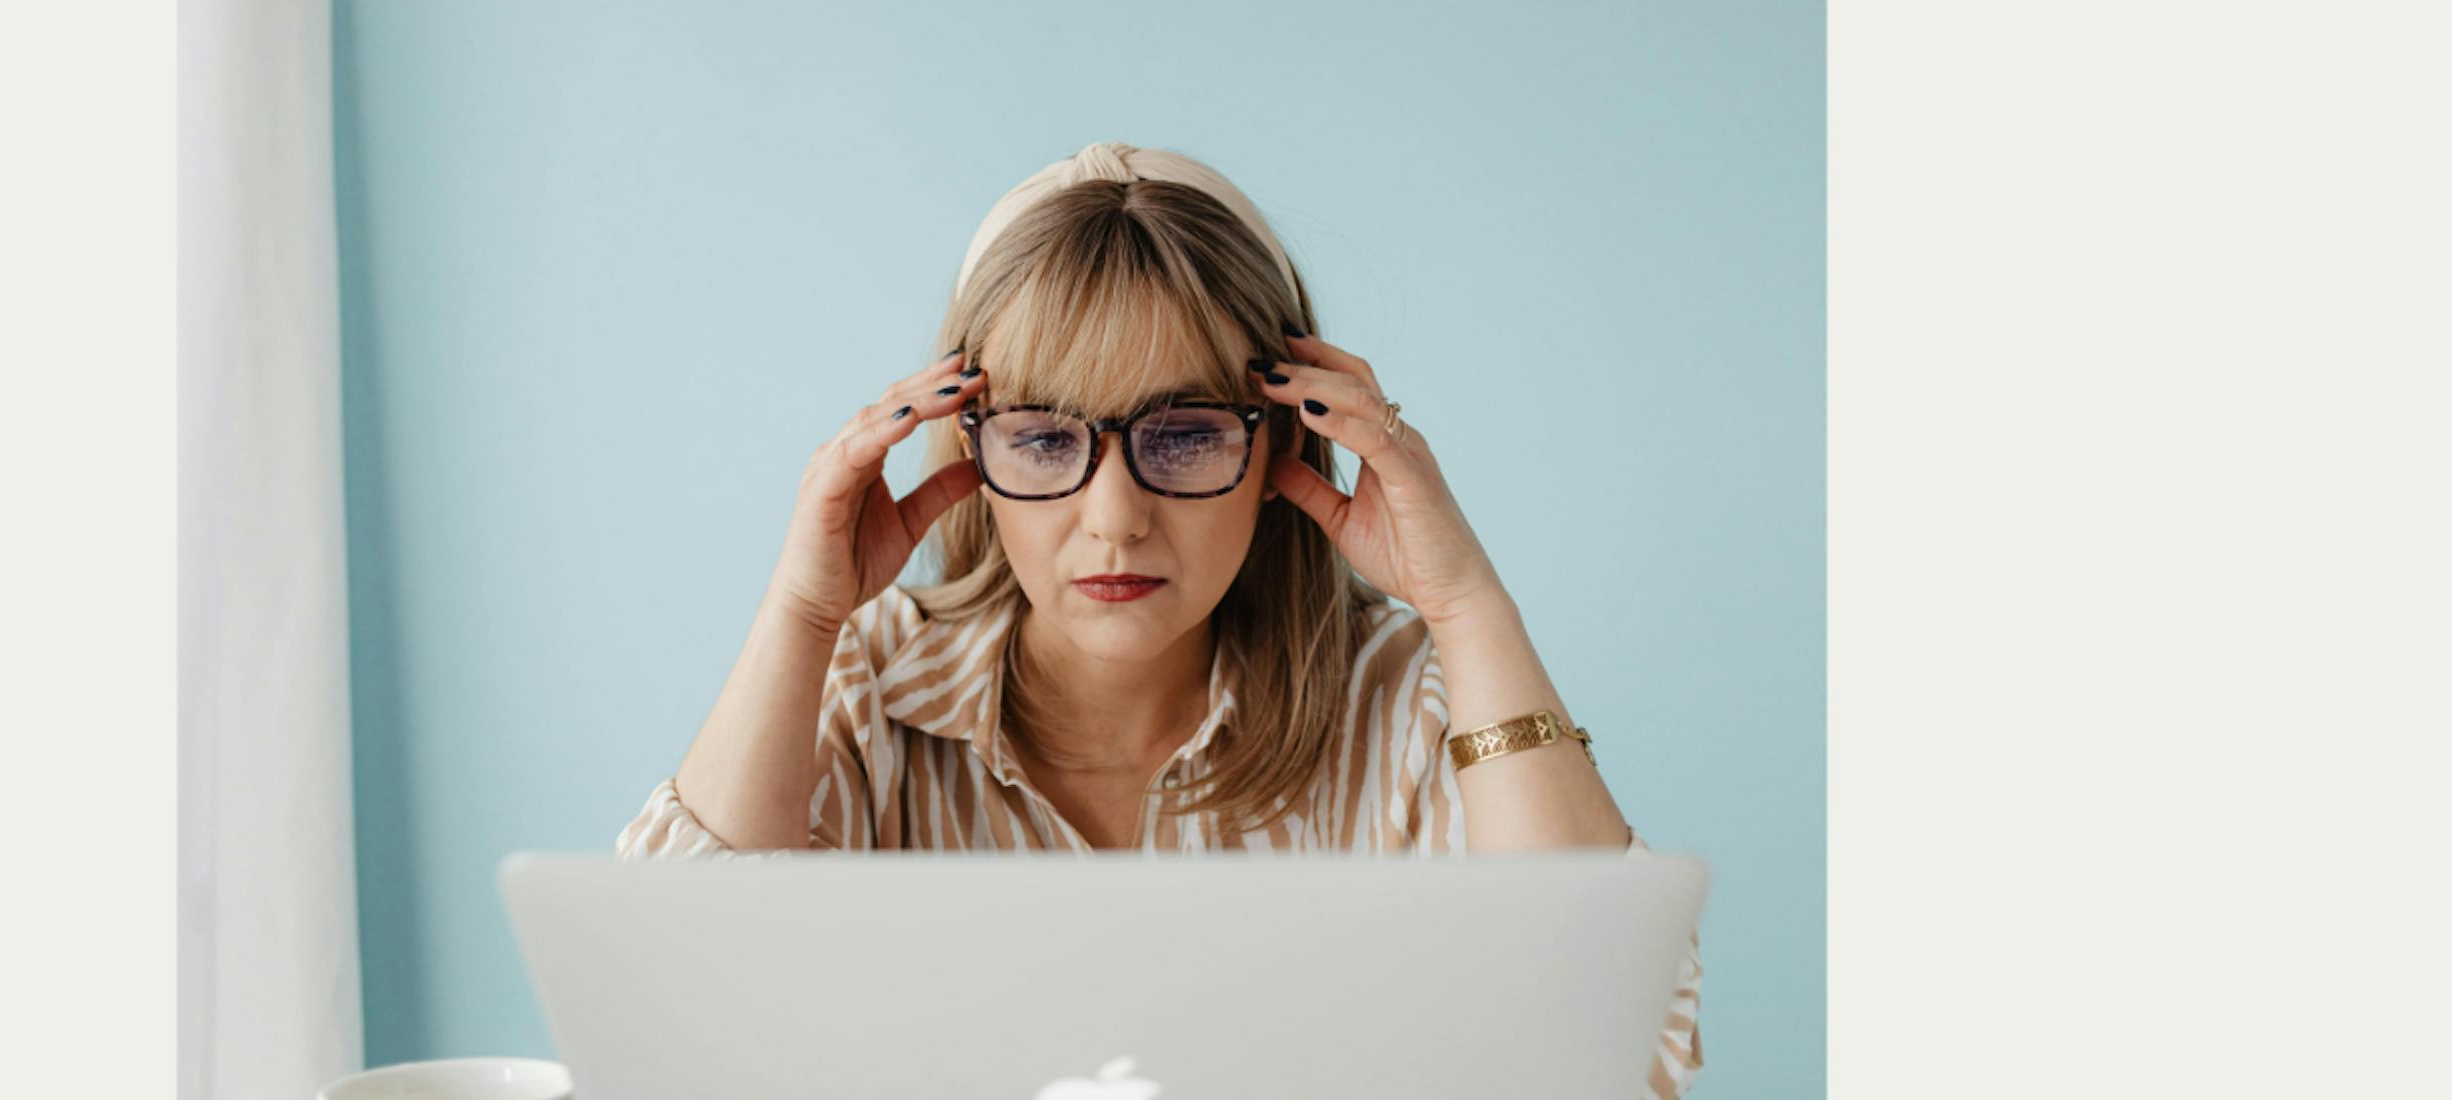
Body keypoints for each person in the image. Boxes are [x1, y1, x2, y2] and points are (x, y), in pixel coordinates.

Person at [615, 142, 1703, 1097]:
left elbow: (1610, 1060)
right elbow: (664, 1041)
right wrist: (804, 614)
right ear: (974, 452)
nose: (1116, 521)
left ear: (1280, 442)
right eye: (1044, 439)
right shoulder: (867, 692)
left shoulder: (1401, 704)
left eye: (1183, 433)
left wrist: (1469, 606)